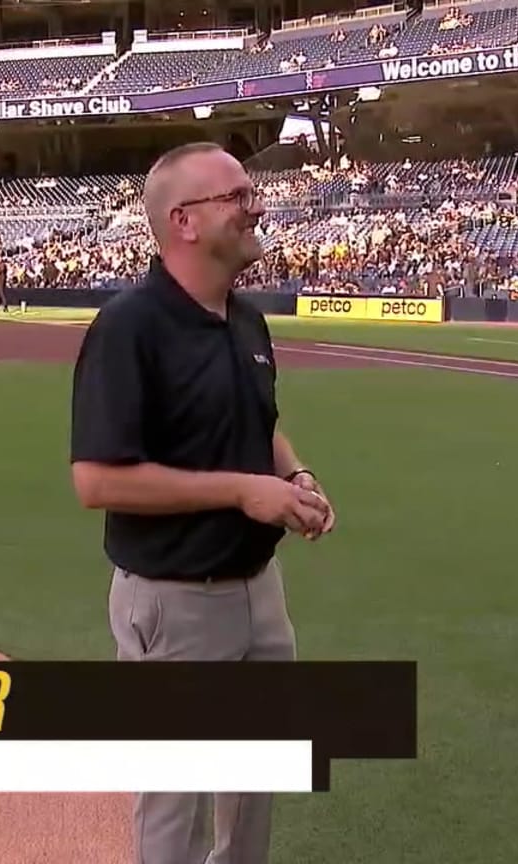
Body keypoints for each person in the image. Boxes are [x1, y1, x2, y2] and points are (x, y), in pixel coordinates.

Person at [68, 141, 335, 864]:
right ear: (184, 222)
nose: (256, 206)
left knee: (252, 791)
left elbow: (261, 420)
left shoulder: (245, 321)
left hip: (259, 591)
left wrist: (297, 476)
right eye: (237, 196)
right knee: (173, 807)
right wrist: (244, 491)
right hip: (174, 601)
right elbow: (97, 480)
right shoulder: (130, 327)